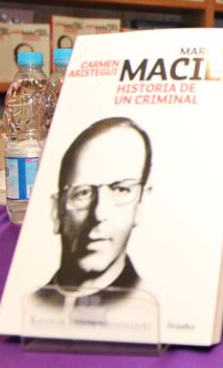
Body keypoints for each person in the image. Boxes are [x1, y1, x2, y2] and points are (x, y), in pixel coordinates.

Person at [31, 117, 152, 309]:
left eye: (121, 190)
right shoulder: (33, 305)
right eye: (83, 193)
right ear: (56, 210)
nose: (99, 214)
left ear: (141, 204)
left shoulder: (150, 306)